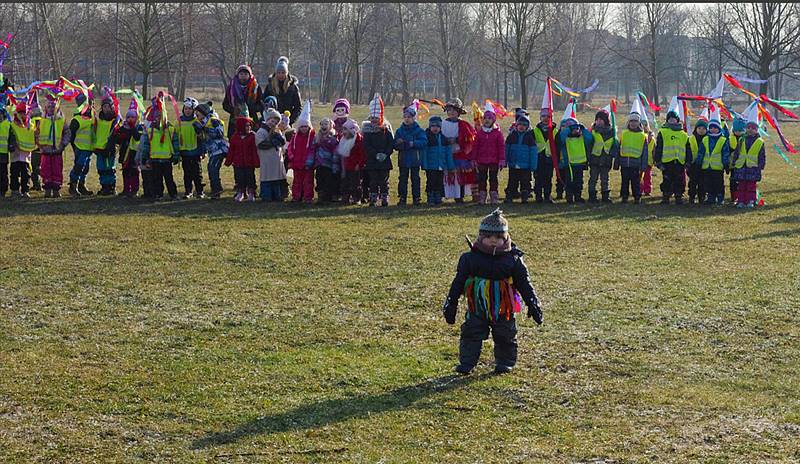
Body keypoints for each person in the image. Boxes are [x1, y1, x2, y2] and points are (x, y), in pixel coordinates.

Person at [442, 208, 543, 375]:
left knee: (505, 333)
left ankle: (505, 362)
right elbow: (459, 281)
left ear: (506, 238)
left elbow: (524, 283)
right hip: (478, 306)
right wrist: (451, 302)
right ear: (481, 237)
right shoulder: (470, 258)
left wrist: (533, 303)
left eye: (498, 237)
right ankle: (467, 362)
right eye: (488, 237)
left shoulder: (513, 259)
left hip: (503, 306)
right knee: (471, 332)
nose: (493, 241)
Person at [139, 98, 180, 200]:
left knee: (169, 178)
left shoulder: (170, 129)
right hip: (155, 159)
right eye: (156, 116)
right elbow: (147, 145)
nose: (158, 118)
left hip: (167, 159)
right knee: (157, 179)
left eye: (160, 116)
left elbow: (175, 143)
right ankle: (158, 194)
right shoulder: (150, 130)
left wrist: (176, 155)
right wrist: (145, 157)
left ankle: (173, 194)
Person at [441, 98, 477, 203]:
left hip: (460, 154)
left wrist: (457, 140)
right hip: (446, 153)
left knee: (460, 175)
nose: (451, 112)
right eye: (449, 110)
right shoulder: (442, 124)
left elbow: (470, 139)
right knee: (448, 174)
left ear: (459, 112)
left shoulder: (464, 125)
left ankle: (459, 195)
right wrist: (446, 141)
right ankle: (446, 194)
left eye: (454, 110)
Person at [362, 94, 395, 207]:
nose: (374, 120)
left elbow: (391, 143)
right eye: (372, 118)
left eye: (376, 118)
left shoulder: (386, 130)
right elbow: (366, 145)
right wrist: (375, 154)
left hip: (384, 160)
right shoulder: (367, 131)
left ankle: (384, 196)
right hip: (372, 160)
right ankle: (373, 197)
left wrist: (385, 154)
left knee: (383, 180)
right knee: (373, 180)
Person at [36, 96, 71, 198]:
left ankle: (56, 189)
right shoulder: (42, 120)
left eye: (53, 107)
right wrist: (39, 145)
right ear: (46, 108)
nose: (51, 109)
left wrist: (63, 144)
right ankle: (47, 189)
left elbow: (67, 133)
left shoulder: (61, 120)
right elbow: (36, 133)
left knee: (57, 170)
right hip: (45, 151)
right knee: (45, 170)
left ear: (57, 108)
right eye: (49, 107)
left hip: (57, 150)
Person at [557, 106, 593, 204]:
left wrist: (582, 129)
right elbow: (561, 137)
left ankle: (578, 196)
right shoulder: (565, 139)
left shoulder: (582, 138)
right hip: (569, 165)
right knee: (569, 182)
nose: (575, 130)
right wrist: (569, 129)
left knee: (579, 182)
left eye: (576, 128)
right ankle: (569, 197)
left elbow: (590, 139)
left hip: (580, 164)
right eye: (572, 129)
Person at [654, 108, 690, 205]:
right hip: (667, 161)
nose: (672, 120)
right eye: (669, 119)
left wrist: (688, 161)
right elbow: (659, 147)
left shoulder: (684, 134)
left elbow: (687, 149)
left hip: (679, 162)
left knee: (680, 180)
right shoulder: (663, 132)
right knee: (667, 179)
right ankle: (666, 196)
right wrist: (658, 161)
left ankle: (679, 196)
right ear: (667, 120)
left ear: (677, 120)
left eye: (674, 119)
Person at [394, 100, 427, 205]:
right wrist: (399, 143)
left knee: (415, 179)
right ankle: (402, 197)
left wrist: (413, 143)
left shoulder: (418, 130)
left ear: (414, 118)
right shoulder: (400, 131)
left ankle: (416, 197)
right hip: (403, 159)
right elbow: (395, 144)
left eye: (409, 117)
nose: (407, 119)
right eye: (405, 117)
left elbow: (424, 141)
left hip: (415, 159)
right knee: (402, 178)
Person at [194, 101, 229, 199]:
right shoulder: (201, 122)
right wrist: (199, 132)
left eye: (198, 112)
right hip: (212, 151)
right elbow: (204, 139)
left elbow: (220, 133)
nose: (196, 114)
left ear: (204, 112)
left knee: (213, 168)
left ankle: (216, 190)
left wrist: (205, 129)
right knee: (211, 168)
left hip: (220, 149)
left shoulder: (213, 120)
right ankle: (216, 189)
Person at [732, 109, 765, 208]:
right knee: (741, 185)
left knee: (751, 186)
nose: (750, 129)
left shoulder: (760, 141)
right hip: (742, 167)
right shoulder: (742, 140)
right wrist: (734, 162)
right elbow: (737, 152)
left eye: (753, 128)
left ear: (757, 129)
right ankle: (741, 201)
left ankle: (751, 200)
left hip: (753, 167)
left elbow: (762, 155)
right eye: (748, 127)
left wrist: (761, 165)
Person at [473, 106, 505, 204]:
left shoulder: (498, 133)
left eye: (490, 118)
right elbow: (475, 147)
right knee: (482, 178)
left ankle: (493, 196)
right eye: (485, 118)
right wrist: (473, 159)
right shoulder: (479, 133)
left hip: (494, 161)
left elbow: (501, 147)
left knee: (493, 178)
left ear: (493, 120)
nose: (487, 120)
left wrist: (502, 159)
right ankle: (482, 196)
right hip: (481, 160)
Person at [615, 111, 649, 204]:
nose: (633, 123)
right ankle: (624, 196)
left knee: (636, 182)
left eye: (635, 121)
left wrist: (643, 165)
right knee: (624, 181)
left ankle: (637, 197)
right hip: (625, 163)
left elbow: (645, 152)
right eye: (631, 121)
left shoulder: (643, 136)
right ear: (628, 122)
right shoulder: (624, 134)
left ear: (639, 123)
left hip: (636, 164)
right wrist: (617, 163)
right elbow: (619, 149)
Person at [255, 108, 288, 202]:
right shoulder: (261, 131)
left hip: (276, 160)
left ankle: (277, 195)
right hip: (267, 159)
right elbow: (260, 144)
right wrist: (272, 142)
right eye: (272, 121)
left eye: (275, 122)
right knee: (267, 178)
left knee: (276, 178)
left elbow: (282, 142)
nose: (273, 123)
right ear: (267, 120)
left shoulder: (277, 131)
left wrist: (280, 139)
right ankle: (266, 195)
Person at [67, 92, 96, 197]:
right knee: (79, 166)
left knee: (86, 168)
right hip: (80, 148)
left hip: (89, 148)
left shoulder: (93, 118)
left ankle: (81, 185)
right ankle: (73, 185)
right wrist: (74, 147)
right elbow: (71, 135)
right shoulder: (77, 120)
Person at [503, 115, 537, 204]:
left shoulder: (529, 138)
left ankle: (524, 196)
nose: (521, 127)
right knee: (512, 181)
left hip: (525, 166)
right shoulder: (511, 136)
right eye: (520, 125)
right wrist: (505, 161)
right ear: (516, 125)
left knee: (525, 182)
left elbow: (533, 152)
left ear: (527, 127)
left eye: (524, 125)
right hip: (513, 164)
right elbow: (506, 149)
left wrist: (533, 165)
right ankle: (510, 196)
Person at [225, 116, 260, 202]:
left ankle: (251, 192)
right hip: (238, 163)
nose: (249, 128)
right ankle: (241, 192)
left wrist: (256, 162)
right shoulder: (235, 137)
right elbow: (231, 150)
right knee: (239, 178)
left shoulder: (252, 136)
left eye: (249, 125)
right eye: (246, 126)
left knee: (250, 177)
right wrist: (228, 161)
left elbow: (254, 151)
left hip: (249, 162)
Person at [287, 100, 316, 203]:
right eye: (302, 126)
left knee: (308, 182)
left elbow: (313, 149)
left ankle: (308, 197)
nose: (304, 128)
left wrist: (311, 161)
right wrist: (291, 157)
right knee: (297, 181)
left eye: (306, 126)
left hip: (308, 164)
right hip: (297, 163)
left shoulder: (312, 137)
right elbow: (290, 148)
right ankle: (296, 196)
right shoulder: (295, 137)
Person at [222, 64, 262, 137]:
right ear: (238, 75)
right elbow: (225, 104)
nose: (243, 76)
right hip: (235, 120)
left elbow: (260, 104)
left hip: (251, 119)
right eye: (241, 74)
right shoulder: (231, 87)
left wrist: (251, 109)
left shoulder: (256, 88)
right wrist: (234, 110)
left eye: (246, 74)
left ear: (249, 75)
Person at [177, 97, 205, 198]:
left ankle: (200, 191)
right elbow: (176, 135)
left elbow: (202, 138)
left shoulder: (197, 121)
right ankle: (188, 191)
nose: (187, 111)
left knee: (197, 174)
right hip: (184, 152)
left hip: (195, 152)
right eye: (186, 108)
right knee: (187, 174)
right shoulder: (179, 121)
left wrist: (202, 151)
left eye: (189, 109)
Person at [421, 116, 452, 206]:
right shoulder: (427, 137)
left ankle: (438, 195)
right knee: (431, 181)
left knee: (439, 181)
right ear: (430, 127)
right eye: (433, 126)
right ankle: (430, 195)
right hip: (431, 166)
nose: (435, 128)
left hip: (441, 165)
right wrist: (425, 165)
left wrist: (450, 165)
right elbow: (425, 153)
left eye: (437, 126)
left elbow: (448, 153)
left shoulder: (443, 138)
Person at [262, 56, 302, 125]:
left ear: (287, 73)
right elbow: (263, 103)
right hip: (271, 122)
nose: (281, 75)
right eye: (279, 72)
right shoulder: (270, 86)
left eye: (283, 72)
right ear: (276, 73)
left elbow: (298, 107)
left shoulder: (293, 87)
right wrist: (268, 118)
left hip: (287, 122)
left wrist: (290, 120)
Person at [588, 109, 617, 203]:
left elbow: (614, 147)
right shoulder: (592, 132)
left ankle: (605, 196)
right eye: (597, 119)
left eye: (601, 119)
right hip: (594, 160)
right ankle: (592, 196)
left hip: (606, 160)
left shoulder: (612, 133)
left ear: (606, 120)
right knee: (593, 179)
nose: (599, 121)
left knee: (605, 179)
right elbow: (589, 145)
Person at [94, 96, 121, 195]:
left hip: (109, 149)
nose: (106, 109)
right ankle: (104, 186)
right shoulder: (99, 120)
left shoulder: (115, 121)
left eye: (107, 107)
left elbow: (116, 136)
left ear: (112, 107)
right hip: (99, 148)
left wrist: (111, 147)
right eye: (104, 107)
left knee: (109, 168)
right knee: (101, 168)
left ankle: (111, 187)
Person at [116, 105, 144, 198]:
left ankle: (134, 190)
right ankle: (126, 189)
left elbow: (137, 138)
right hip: (124, 154)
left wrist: (132, 128)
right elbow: (118, 139)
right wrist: (120, 135)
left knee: (134, 172)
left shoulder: (139, 127)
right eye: (128, 117)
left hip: (134, 153)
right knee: (125, 171)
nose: (130, 119)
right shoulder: (124, 127)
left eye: (132, 117)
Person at [8, 102, 35, 198]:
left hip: (26, 155)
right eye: (20, 113)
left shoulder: (31, 125)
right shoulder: (12, 125)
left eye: (24, 113)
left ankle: (25, 190)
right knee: (14, 173)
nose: (22, 115)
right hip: (15, 155)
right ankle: (15, 190)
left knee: (26, 174)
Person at [701, 116, 730, 205]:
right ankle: (710, 197)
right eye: (711, 128)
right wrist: (699, 162)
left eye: (715, 128)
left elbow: (725, 153)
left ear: (719, 128)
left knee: (719, 184)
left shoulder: (723, 140)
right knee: (708, 183)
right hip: (707, 166)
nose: (713, 129)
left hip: (718, 167)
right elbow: (701, 152)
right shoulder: (705, 139)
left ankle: (720, 197)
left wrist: (726, 165)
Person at [337, 119, 366, 205]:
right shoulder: (343, 140)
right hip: (346, 166)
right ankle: (345, 197)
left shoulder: (358, 140)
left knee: (355, 183)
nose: (344, 132)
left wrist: (359, 164)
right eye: (343, 129)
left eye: (346, 129)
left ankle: (356, 198)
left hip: (355, 166)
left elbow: (362, 154)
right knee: (345, 182)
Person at [311, 118, 340, 203]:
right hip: (319, 163)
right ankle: (321, 196)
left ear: (330, 126)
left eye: (326, 124)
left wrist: (335, 164)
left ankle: (328, 197)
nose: (324, 126)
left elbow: (335, 151)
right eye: (322, 124)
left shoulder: (333, 137)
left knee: (329, 180)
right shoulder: (317, 136)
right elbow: (313, 148)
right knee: (320, 179)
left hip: (329, 163)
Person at [533, 109, 557, 203]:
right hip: (538, 158)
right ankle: (538, 196)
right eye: (543, 116)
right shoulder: (535, 131)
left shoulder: (555, 131)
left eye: (548, 116)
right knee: (538, 178)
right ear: (540, 118)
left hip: (549, 159)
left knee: (548, 178)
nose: (545, 118)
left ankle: (547, 195)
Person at [687, 114, 708, 204]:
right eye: (699, 128)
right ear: (696, 129)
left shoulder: (708, 139)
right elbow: (687, 150)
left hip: (704, 164)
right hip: (693, 164)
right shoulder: (691, 138)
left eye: (703, 128)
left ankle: (701, 197)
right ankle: (691, 196)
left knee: (702, 182)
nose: (701, 130)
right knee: (692, 182)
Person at [0, 103, 11, 198]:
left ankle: (3, 190)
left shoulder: (7, 125)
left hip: (3, 153)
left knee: (3, 172)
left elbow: (11, 137)